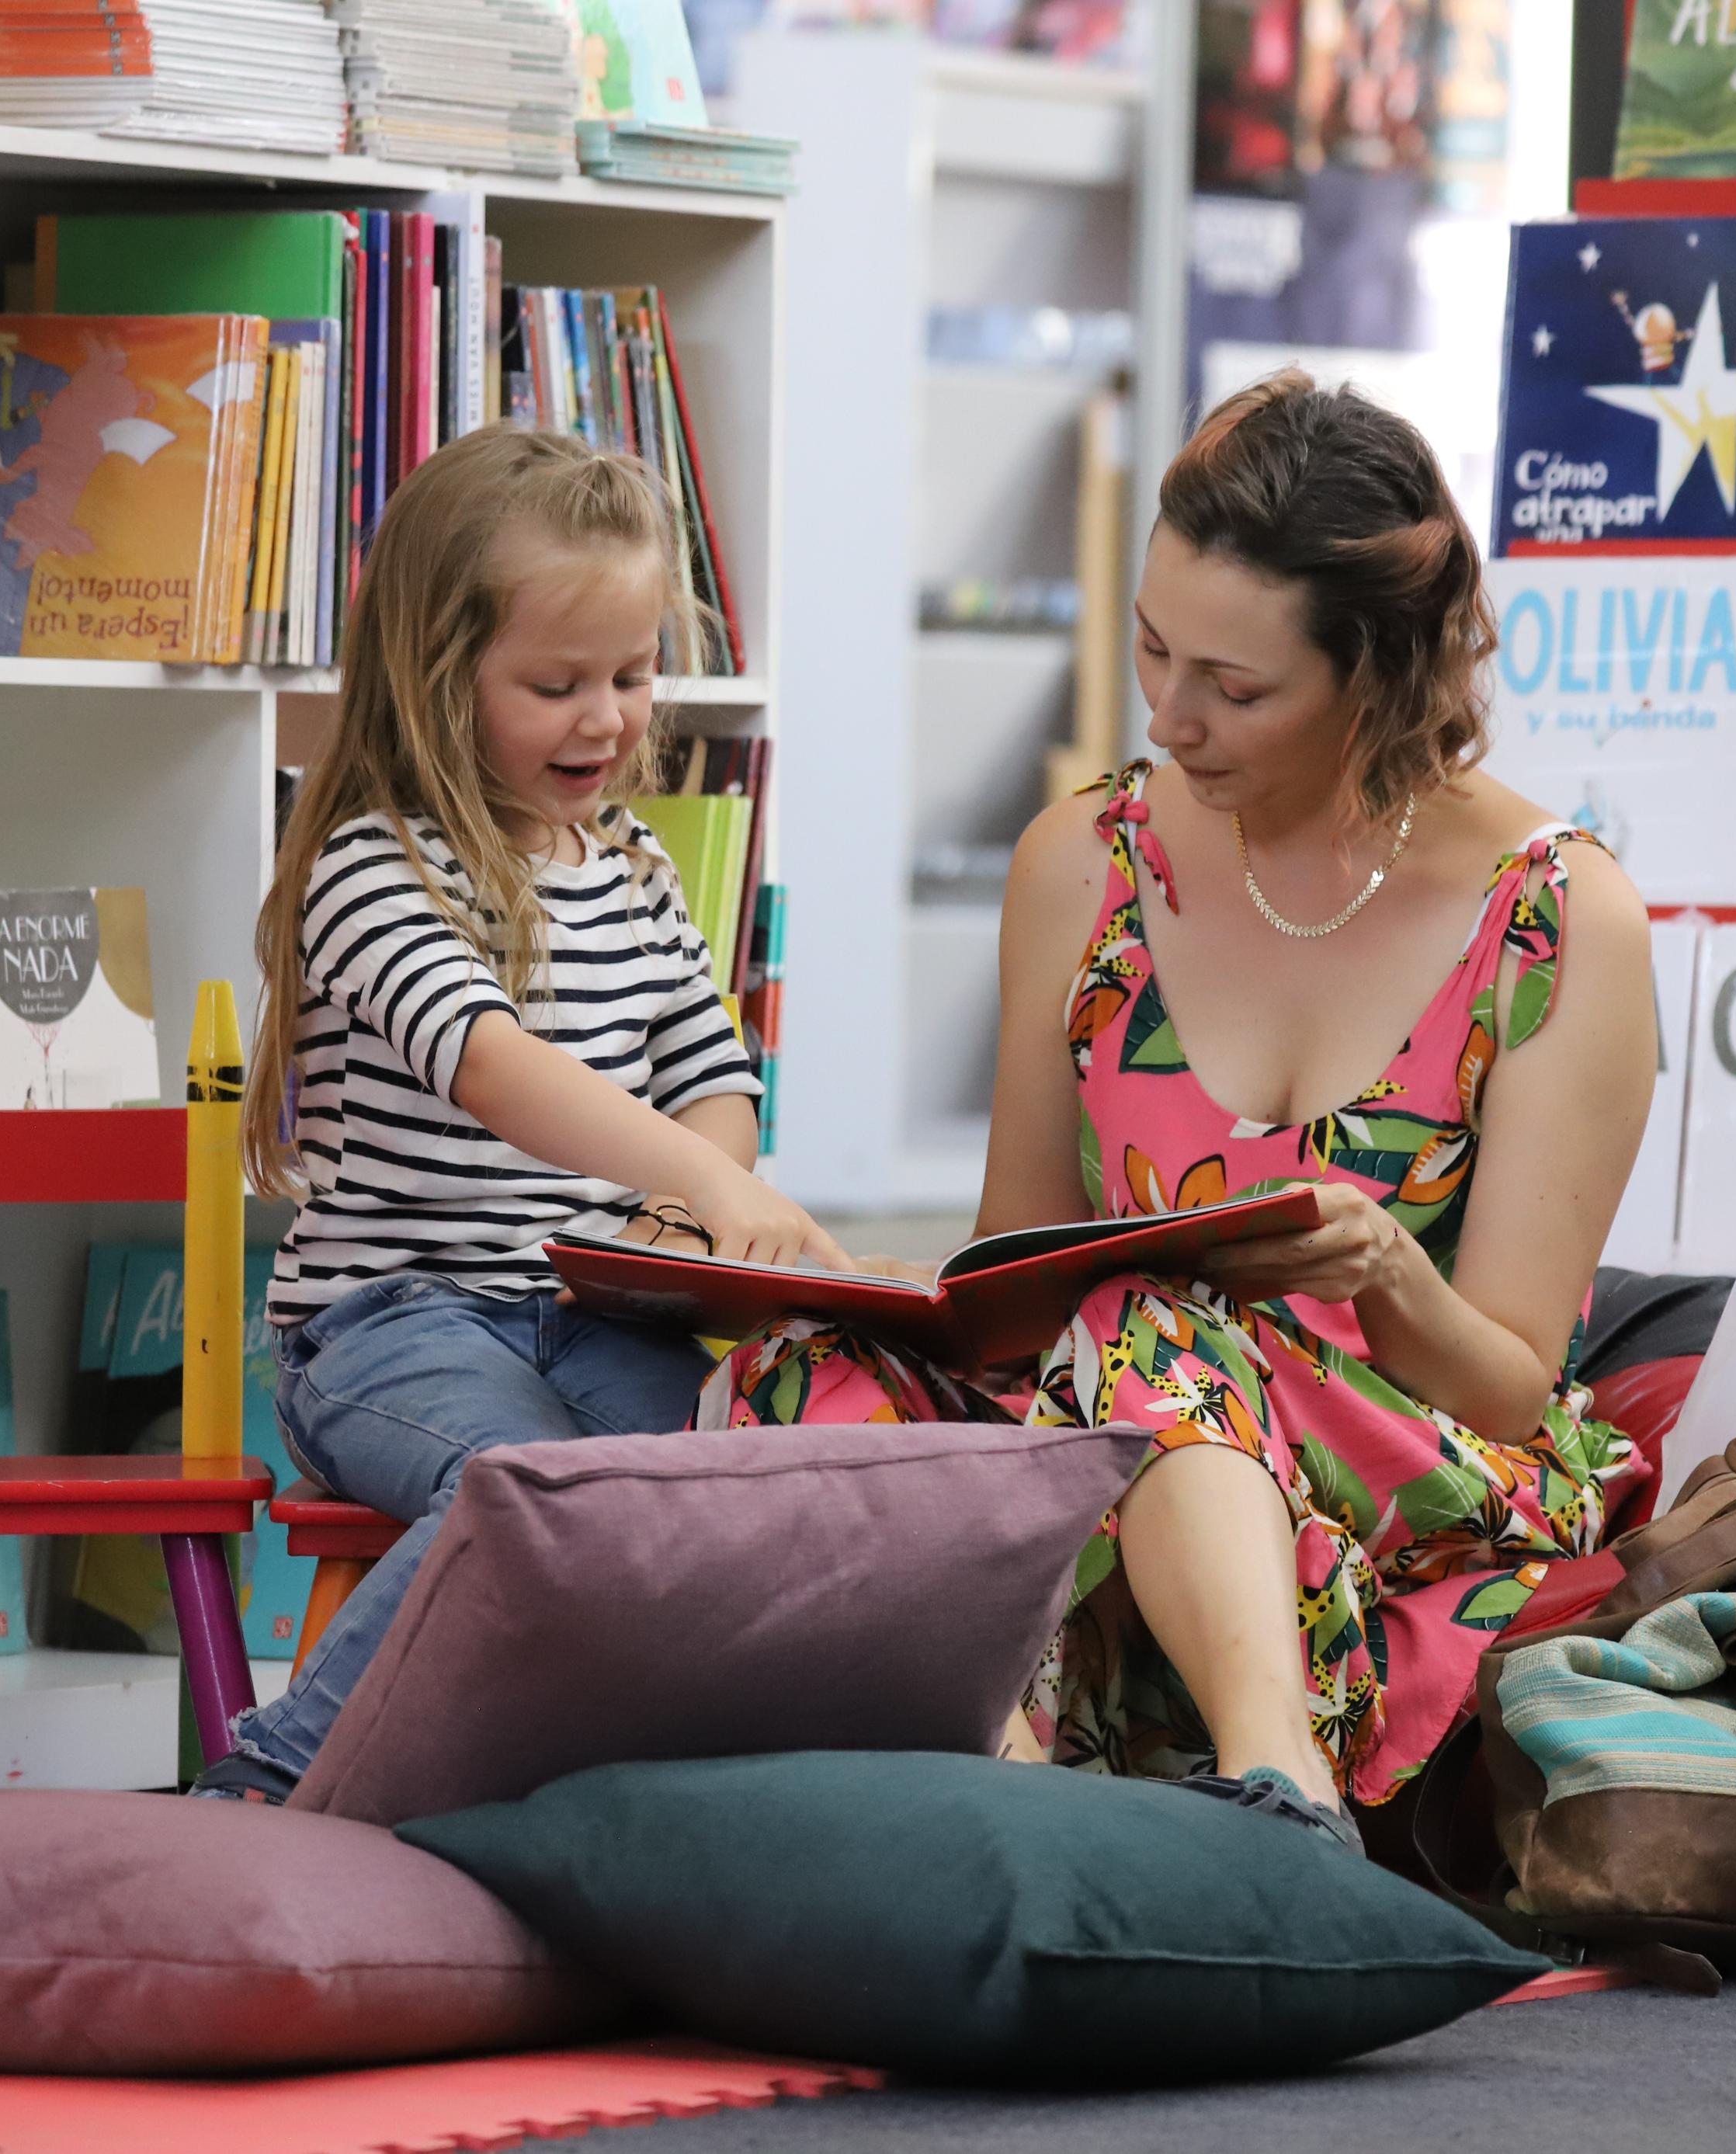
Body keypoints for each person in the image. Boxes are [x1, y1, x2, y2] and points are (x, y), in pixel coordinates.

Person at [704, 372, 1654, 1850]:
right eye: (1154, 649)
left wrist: (1385, 1271)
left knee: (1153, 1314)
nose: (1171, 715)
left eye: (1238, 685)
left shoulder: (1556, 916)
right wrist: (858, 1290)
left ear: (1382, 675)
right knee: (800, 1369)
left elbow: (1515, 1389)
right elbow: (1013, 1270)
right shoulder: (1080, 857)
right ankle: (1000, 1795)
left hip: (1422, 1453)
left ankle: (1281, 1791)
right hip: (1124, 1416)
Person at [193, 427, 845, 1801]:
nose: (607, 718)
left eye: (631, 672)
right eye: (555, 683)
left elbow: (709, 1072)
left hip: (588, 1305)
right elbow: (489, 1064)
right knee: (527, 1484)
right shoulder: (372, 865)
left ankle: (660, 1777)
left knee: (743, 1466)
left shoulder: (635, 863)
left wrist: (692, 1203)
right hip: (387, 1318)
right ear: (440, 679)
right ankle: (273, 1780)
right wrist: (709, 1188)